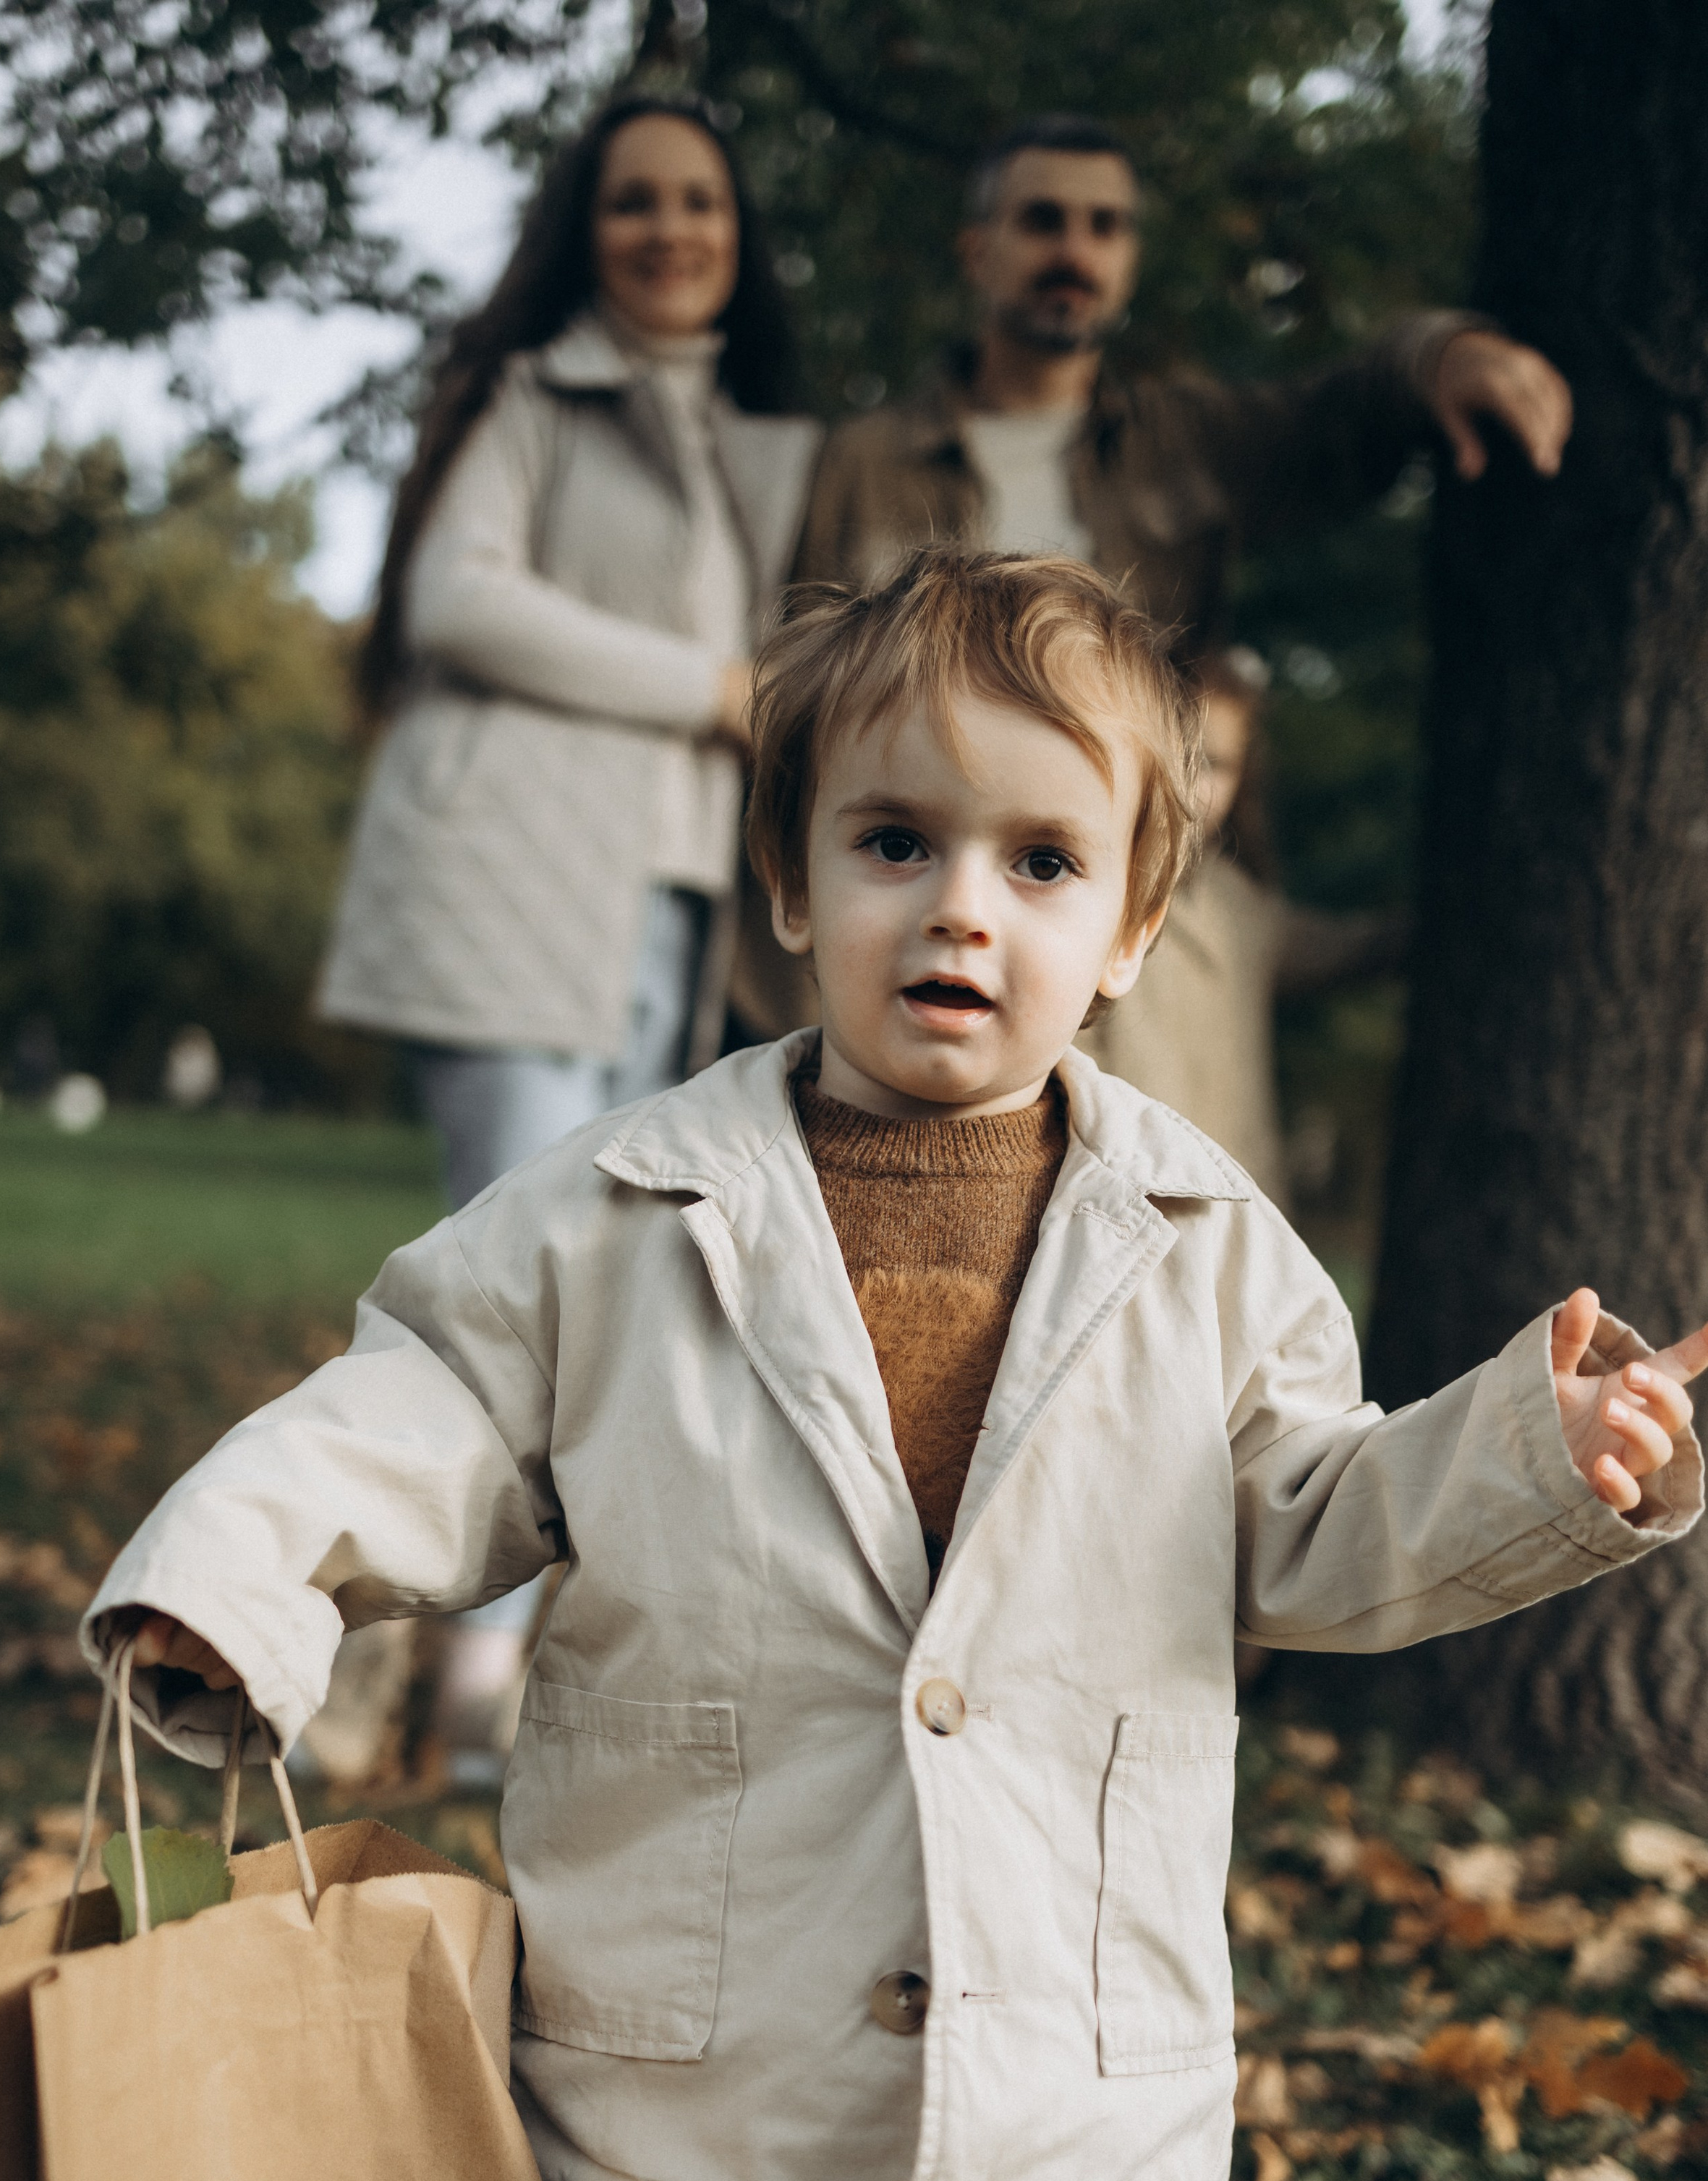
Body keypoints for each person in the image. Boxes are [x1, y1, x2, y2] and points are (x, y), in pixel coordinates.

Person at [88, 551, 1702, 2181]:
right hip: (692, 2027)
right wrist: (240, 1578)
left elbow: (1318, 1518)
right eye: (894, 842)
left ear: (1129, 931)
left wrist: (1544, 1456)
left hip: (1024, 2026)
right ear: (787, 881)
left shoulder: (1205, 1245)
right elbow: (418, 1414)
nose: (963, 907)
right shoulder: (615, 1212)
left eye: (1040, 858)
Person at [314, 92, 820, 1769]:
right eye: (632, 203)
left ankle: (472, 1683)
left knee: (591, 1297)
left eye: (700, 204)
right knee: (502, 1283)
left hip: (667, 910)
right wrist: (711, 690)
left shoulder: (755, 437)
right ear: (580, 231)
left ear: (739, 243)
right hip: (508, 887)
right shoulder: (531, 400)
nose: (669, 229)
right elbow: (453, 595)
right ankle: (327, 1639)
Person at [796, 115, 1572, 635]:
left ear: (1129, 261)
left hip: (1150, 862)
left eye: (1104, 226)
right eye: (1042, 220)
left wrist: (1443, 354)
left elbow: (1344, 416)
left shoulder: (1186, 441)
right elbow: (797, 687)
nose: (1074, 251)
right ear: (976, 252)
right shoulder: (861, 462)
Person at [1091, 644, 1406, 1205]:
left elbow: (1330, 947)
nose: (1195, 781)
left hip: (1239, 1198)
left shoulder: (1238, 904)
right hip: (1125, 1196)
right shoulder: (1090, 881)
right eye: (1181, 751)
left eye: (1217, 764)